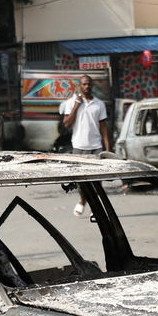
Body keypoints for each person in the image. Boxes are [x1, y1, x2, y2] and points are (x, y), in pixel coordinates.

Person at [61, 75, 110, 217]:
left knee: (97, 180)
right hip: (79, 146)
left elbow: (103, 127)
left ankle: (95, 209)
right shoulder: (71, 103)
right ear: (79, 86)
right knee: (82, 180)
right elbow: (66, 124)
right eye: (84, 84)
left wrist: (107, 148)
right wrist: (76, 106)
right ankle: (82, 201)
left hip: (96, 146)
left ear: (92, 85)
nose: (86, 86)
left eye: (89, 84)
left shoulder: (99, 104)